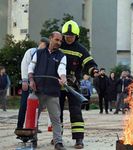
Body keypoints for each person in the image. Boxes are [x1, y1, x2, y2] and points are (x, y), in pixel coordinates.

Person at [59, 20, 98, 149]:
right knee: (56, 113)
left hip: (73, 86)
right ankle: (57, 138)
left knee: (76, 112)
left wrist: (94, 71)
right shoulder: (57, 46)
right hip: (57, 84)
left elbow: (89, 63)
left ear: (76, 36)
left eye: (71, 35)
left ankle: (79, 139)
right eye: (67, 35)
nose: (69, 37)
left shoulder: (81, 50)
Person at [28, 31, 67, 150]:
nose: (59, 43)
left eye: (60, 41)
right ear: (50, 39)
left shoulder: (61, 56)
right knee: (33, 117)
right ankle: (33, 140)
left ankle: (58, 143)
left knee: (56, 118)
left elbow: (62, 69)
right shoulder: (38, 53)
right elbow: (31, 67)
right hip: (37, 90)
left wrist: (63, 78)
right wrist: (31, 80)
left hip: (53, 92)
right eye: (57, 40)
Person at [16, 37, 49, 129]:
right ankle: (19, 127)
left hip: (38, 85)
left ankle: (33, 127)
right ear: (40, 43)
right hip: (27, 83)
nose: (44, 48)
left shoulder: (45, 56)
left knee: (36, 107)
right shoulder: (31, 52)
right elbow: (24, 65)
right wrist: (25, 81)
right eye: (43, 45)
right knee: (24, 105)